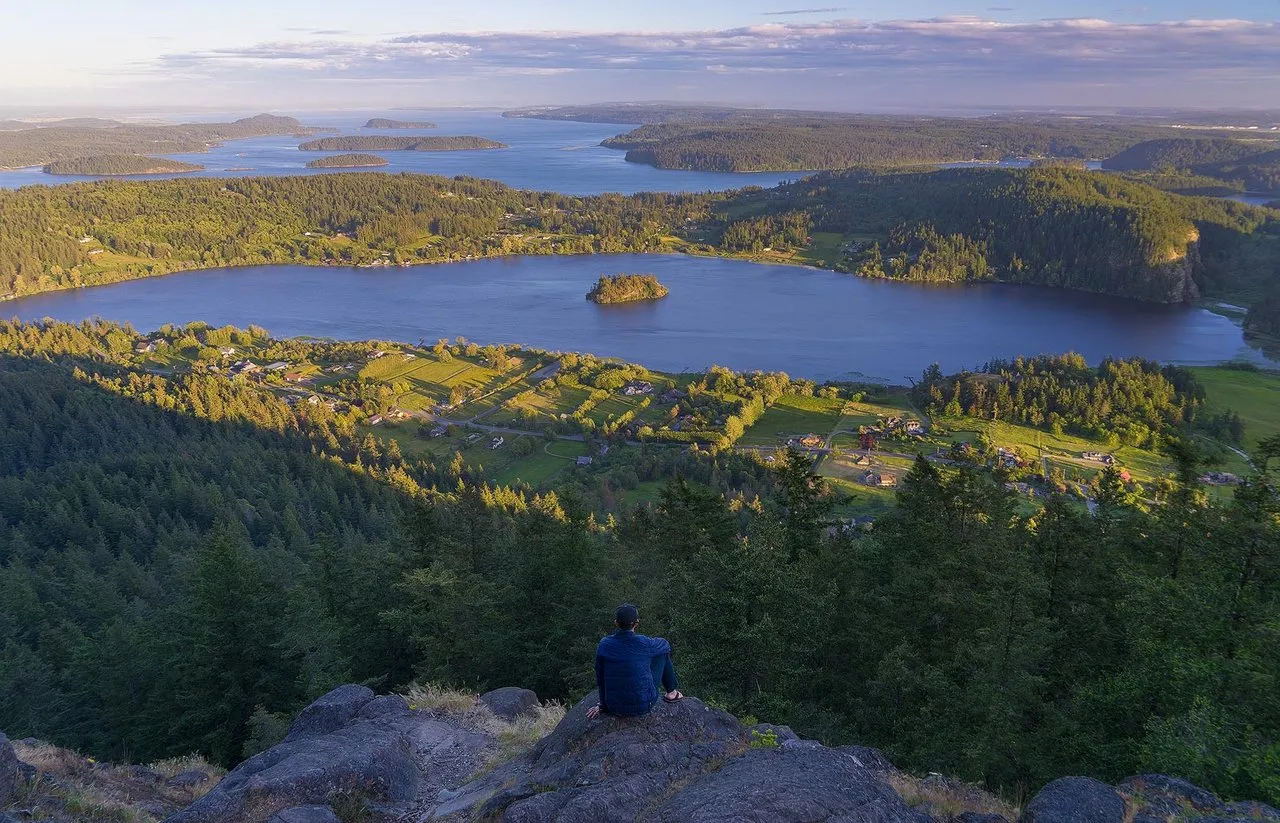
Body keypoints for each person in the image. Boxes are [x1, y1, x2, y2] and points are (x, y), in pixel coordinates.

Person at [587, 603, 683, 719]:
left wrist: (603, 705)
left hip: (614, 706)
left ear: (616, 623)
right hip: (644, 706)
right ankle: (672, 693)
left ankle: (671, 692)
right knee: (661, 654)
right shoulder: (645, 643)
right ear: (636, 623)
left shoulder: (604, 644)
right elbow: (665, 645)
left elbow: (600, 677)